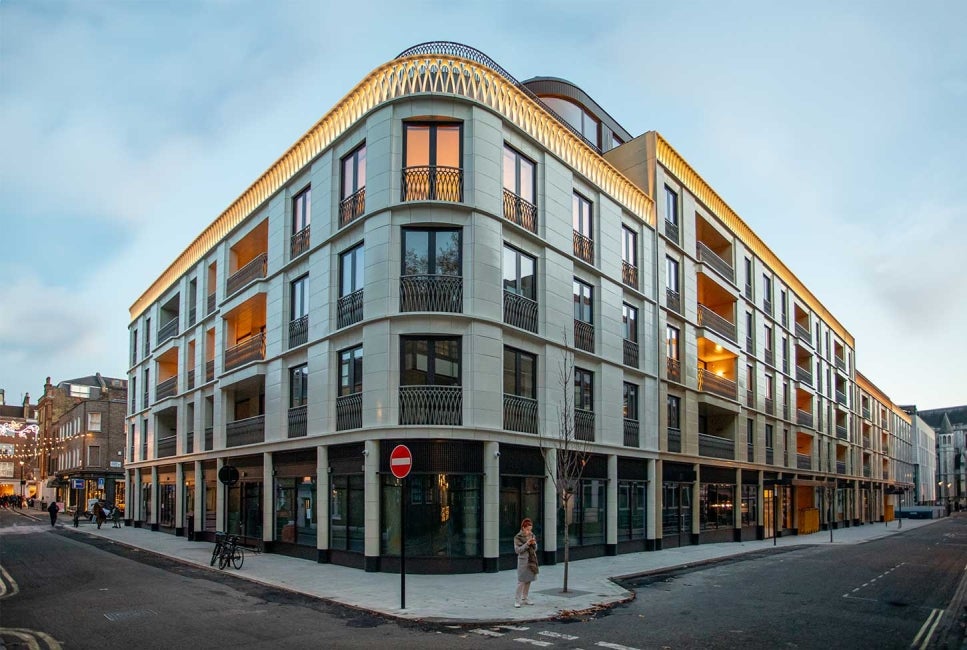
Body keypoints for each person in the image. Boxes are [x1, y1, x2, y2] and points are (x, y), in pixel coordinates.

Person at [513, 517, 539, 608]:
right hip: (523, 561)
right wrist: (527, 544)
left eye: (530, 529)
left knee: (528, 580)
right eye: (527, 529)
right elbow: (518, 550)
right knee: (521, 581)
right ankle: (517, 600)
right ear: (523, 528)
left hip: (532, 560)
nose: (529, 531)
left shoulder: (532, 535)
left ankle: (525, 598)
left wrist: (534, 544)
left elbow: (535, 549)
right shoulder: (518, 537)